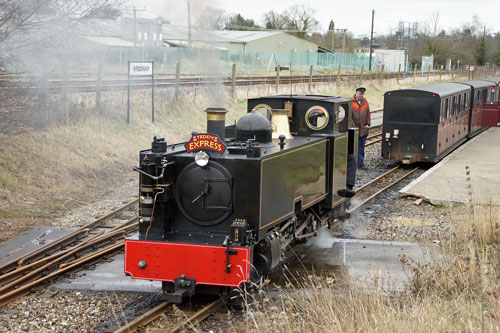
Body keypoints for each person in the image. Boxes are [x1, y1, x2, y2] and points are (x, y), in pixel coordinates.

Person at [352, 87, 371, 169]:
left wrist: (368, 123)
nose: (361, 95)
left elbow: (368, 113)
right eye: (360, 93)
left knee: (361, 148)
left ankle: (360, 164)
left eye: (362, 94)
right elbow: (348, 116)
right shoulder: (351, 102)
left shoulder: (365, 102)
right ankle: (354, 164)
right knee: (354, 147)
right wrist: (353, 127)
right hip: (354, 130)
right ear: (356, 93)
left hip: (363, 129)